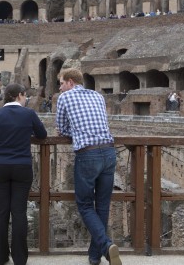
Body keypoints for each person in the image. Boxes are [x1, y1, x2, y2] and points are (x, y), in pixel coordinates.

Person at [55, 68, 122, 265]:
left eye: (61, 83)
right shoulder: (97, 96)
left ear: (70, 82)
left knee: (84, 205)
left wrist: (69, 130)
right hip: (109, 152)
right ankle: (95, 257)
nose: (60, 88)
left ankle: (106, 245)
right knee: (102, 205)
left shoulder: (65, 98)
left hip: (88, 153)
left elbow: (61, 128)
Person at [0, 83, 48, 265]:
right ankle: (19, 258)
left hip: (0, 167)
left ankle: (0, 257)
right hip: (22, 167)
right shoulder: (29, 114)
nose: (26, 99)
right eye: (25, 96)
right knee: (19, 212)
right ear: (19, 95)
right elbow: (42, 135)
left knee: (1, 211)